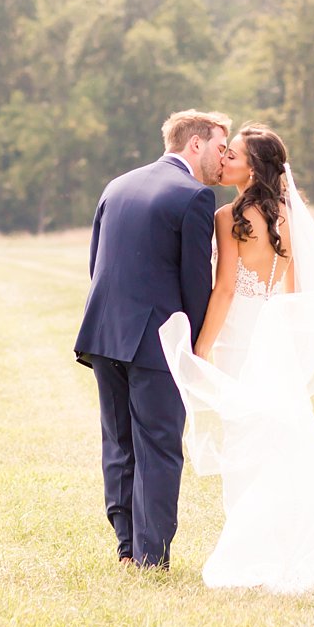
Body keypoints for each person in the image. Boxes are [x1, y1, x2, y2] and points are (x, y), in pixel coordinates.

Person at [159, 124, 314, 593]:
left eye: (234, 156)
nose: (224, 160)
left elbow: (224, 289)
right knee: (279, 437)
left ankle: (257, 544)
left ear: (253, 167)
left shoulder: (230, 216)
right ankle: (305, 534)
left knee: (248, 442)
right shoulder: (285, 216)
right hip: (271, 335)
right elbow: (290, 289)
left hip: (239, 339)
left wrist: (201, 349)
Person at [74, 110, 231, 569]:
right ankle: (150, 557)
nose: (223, 158)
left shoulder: (116, 185)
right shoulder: (195, 196)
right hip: (155, 340)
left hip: (104, 332)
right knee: (160, 446)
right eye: (220, 147)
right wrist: (198, 352)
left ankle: (126, 548)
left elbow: (95, 263)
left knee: (119, 442)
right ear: (195, 144)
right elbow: (195, 286)